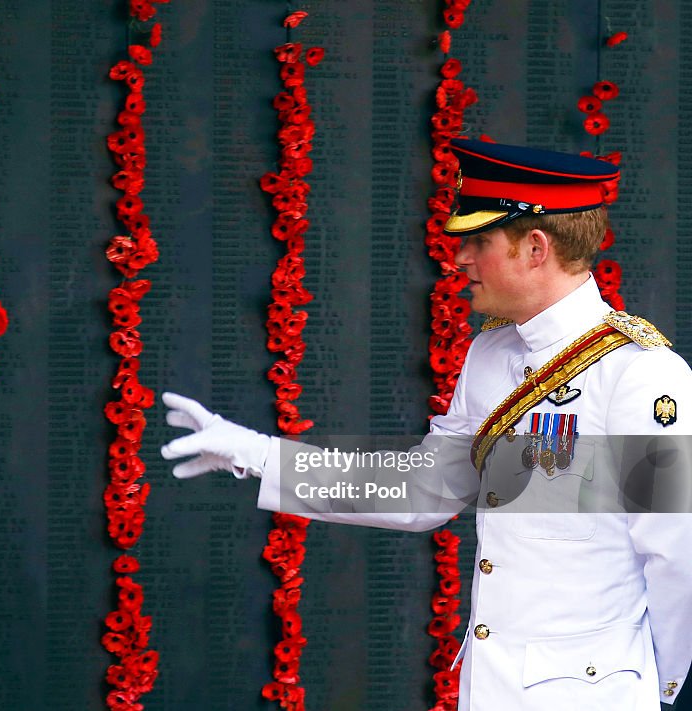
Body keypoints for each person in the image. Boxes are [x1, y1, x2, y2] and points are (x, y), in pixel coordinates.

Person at [162, 138, 692, 710]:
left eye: (480, 241)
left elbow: (676, 555)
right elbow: (426, 489)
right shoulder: (490, 356)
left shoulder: (640, 374)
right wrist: (260, 454)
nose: (460, 258)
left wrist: (657, 687)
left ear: (535, 248)